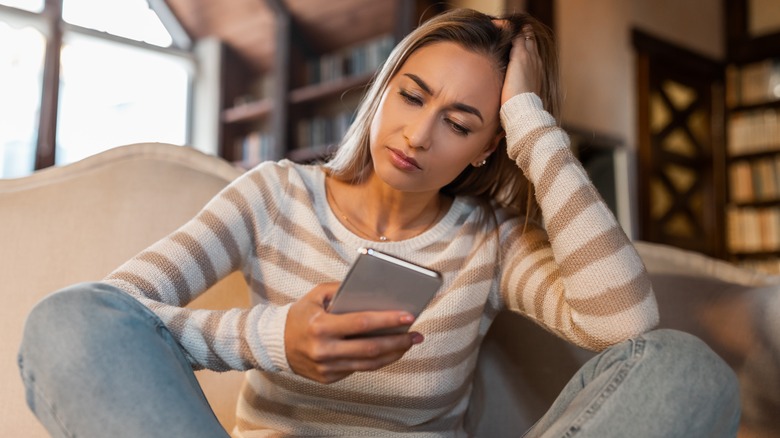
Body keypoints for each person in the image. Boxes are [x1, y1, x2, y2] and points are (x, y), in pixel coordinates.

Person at [18, 8, 740, 438]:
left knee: (688, 367)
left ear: (489, 147)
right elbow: (109, 318)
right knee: (63, 321)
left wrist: (530, 120)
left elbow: (624, 325)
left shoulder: (488, 240)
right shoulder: (274, 196)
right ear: (385, 87)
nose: (419, 135)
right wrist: (275, 339)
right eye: (413, 96)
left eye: (460, 123)